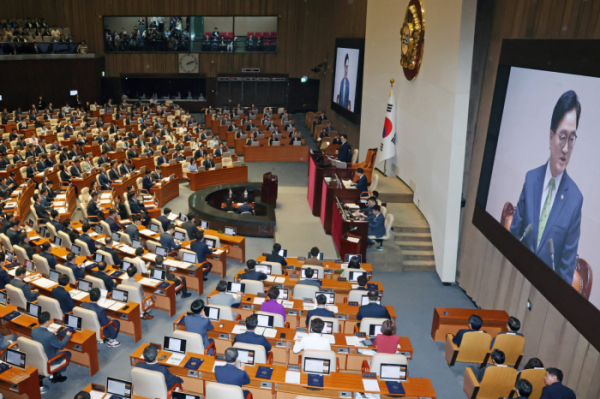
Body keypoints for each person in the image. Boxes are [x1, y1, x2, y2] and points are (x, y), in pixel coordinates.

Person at [510, 90, 583, 284]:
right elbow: (513, 238)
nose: (566, 148)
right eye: (562, 136)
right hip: (515, 280)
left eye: (572, 138)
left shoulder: (575, 201)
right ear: (551, 138)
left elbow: (565, 274)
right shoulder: (531, 180)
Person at [32, 311, 72, 383]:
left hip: (39, 356)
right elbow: (61, 345)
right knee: (68, 353)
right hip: (49, 359)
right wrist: (67, 335)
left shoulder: (34, 330)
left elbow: (43, 337)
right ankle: (56, 374)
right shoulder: (49, 336)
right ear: (47, 322)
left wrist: (51, 333)